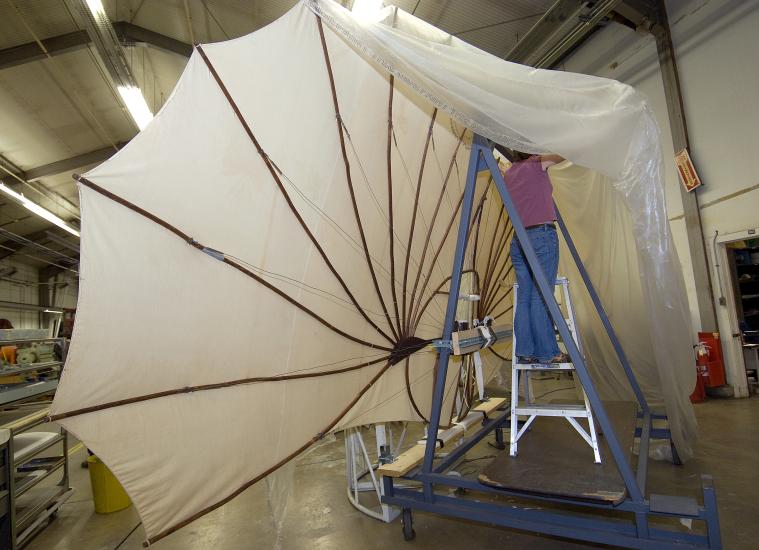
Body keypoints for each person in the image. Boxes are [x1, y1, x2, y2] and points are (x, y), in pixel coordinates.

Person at [500, 150, 570, 365]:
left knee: (526, 297)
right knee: (542, 296)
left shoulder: (509, 172)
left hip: (519, 240)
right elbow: (565, 153)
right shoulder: (536, 163)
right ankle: (548, 352)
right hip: (541, 235)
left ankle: (525, 350)